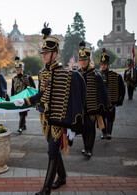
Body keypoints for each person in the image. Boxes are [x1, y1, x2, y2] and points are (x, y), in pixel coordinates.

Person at [14, 23, 86, 194]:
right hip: (44, 118)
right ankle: (62, 177)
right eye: (43, 53)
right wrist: (25, 101)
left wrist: (74, 121)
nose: (43, 56)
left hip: (58, 120)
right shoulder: (42, 73)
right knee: (53, 149)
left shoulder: (68, 74)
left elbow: (80, 93)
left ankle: (46, 189)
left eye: (46, 53)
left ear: (55, 54)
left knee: (52, 151)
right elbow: (41, 94)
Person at [77, 41, 108, 157]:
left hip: (93, 108)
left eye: (85, 60)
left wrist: (102, 107)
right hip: (81, 109)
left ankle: (89, 148)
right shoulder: (77, 74)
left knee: (90, 129)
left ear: (89, 61)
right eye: (82, 60)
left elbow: (103, 92)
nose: (83, 62)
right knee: (84, 130)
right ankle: (85, 146)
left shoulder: (96, 74)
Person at [100, 48, 125, 140]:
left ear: (108, 65)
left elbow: (121, 88)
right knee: (102, 118)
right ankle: (103, 132)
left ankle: (109, 132)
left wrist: (119, 100)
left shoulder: (116, 76)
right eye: (102, 64)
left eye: (105, 64)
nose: (104, 66)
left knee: (110, 118)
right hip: (101, 102)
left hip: (111, 101)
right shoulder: (97, 76)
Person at [11, 56, 36, 134]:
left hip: (24, 99)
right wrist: (11, 98)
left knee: (22, 113)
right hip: (16, 97)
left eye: (19, 69)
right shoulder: (14, 79)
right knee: (20, 112)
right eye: (16, 69)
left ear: (21, 69)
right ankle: (23, 125)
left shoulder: (27, 77)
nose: (17, 71)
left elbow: (33, 88)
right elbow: (12, 89)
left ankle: (20, 127)